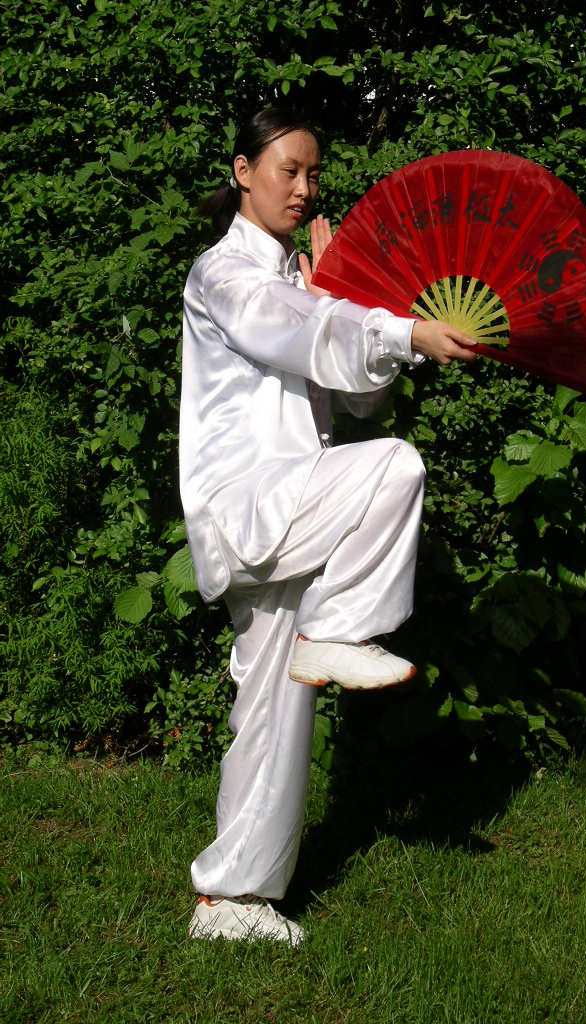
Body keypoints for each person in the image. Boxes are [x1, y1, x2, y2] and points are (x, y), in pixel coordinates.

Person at [180, 109, 476, 945]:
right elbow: (302, 333)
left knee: (274, 715)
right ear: (244, 170)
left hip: (296, 507)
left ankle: (232, 901)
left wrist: (349, 302)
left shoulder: (296, 280)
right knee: (396, 467)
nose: (306, 189)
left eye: (314, 175)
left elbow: (358, 398)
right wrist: (401, 329)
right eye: (290, 171)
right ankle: (341, 627)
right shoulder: (223, 274)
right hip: (250, 508)